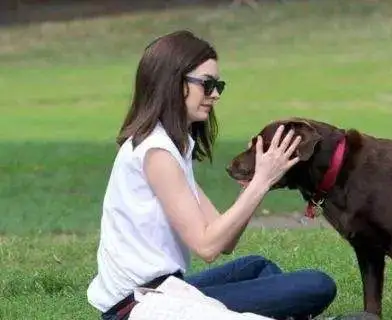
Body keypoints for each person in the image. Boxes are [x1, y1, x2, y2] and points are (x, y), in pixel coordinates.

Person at [86, 30, 338, 320]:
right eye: (206, 85)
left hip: (164, 288)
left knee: (258, 267)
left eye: (218, 85)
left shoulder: (170, 145)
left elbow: (224, 241)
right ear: (174, 83)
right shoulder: (157, 153)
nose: (215, 94)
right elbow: (207, 246)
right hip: (139, 306)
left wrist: (257, 182)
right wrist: (262, 180)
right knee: (318, 285)